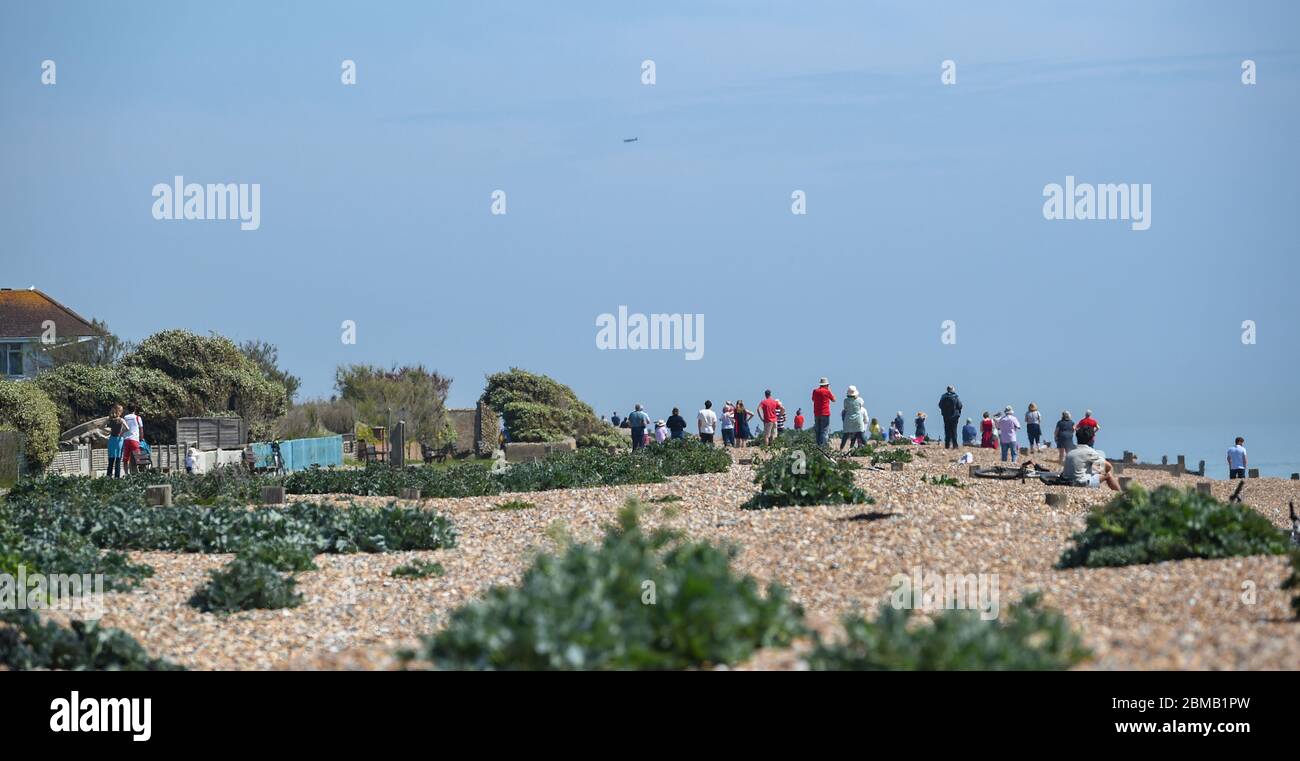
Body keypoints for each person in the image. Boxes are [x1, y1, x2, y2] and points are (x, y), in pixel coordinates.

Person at [1061, 425, 1120, 491]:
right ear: (1091, 439)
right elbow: (1109, 466)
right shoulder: (1089, 451)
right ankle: (1121, 495)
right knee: (1108, 474)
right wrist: (1099, 470)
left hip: (1066, 482)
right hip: (1080, 484)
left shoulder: (1071, 451)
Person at [840, 386, 868, 450]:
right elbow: (861, 406)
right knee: (861, 435)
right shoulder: (860, 400)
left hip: (848, 420)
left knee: (845, 436)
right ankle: (868, 448)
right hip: (858, 420)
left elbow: (845, 409)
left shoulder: (845, 401)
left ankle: (841, 448)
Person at [811, 378, 836, 447]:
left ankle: (818, 446)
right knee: (824, 431)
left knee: (818, 431)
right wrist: (829, 390)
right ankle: (823, 446)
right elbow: (834, 399)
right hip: (825, 413)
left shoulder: (815, 391)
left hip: (816, 413)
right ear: (826, 385)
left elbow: (813, 399)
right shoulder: (827, 391)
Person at [105, 404, 127, 479]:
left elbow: (102, 426)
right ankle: (117, 477)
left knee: (111, 459)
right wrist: (121, 433)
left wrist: (108, 431)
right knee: (118, 459)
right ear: (120, 411)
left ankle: (108, 476)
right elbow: (127, 428)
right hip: (119, 440)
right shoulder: (121, 420)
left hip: (111, 439)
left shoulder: (110, 419)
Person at [122, 403, 144, 473]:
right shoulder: (138, 418)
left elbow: (123, 428)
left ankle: (126, 474)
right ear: (135, 409)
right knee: (137, 458)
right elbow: (141, 429)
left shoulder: (125, 418)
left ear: (127, 409)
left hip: (126, 440)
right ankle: (138, 473)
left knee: (126, 459)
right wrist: (141, 438)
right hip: (135, 440)